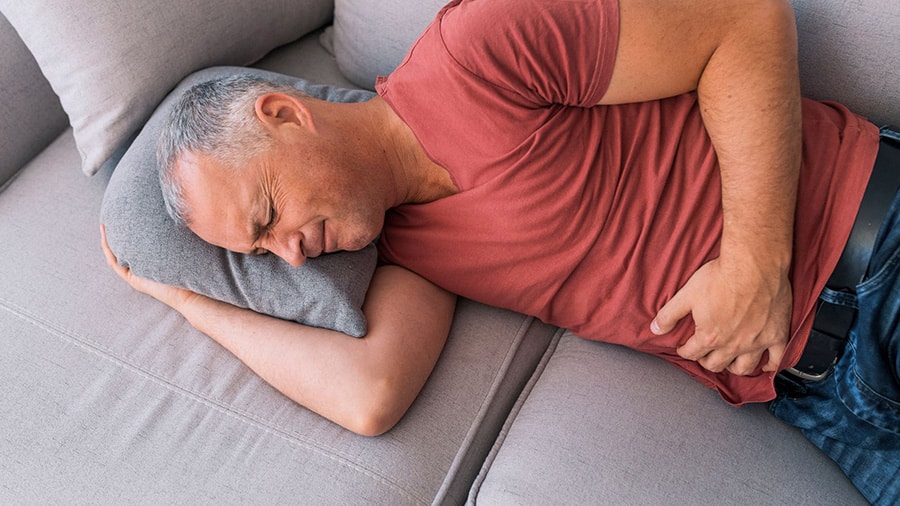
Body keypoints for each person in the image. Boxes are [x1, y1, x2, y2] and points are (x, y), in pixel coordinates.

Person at [100, 0, 898, 502]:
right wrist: (179, 298)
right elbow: (368, 397)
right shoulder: (408, 252)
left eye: (270, 214)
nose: (293, 257)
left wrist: (755, 260)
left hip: (875, 247)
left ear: (284, 113)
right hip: (818, 401)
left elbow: (744, 17)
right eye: (263, 252)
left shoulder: (479, 48)